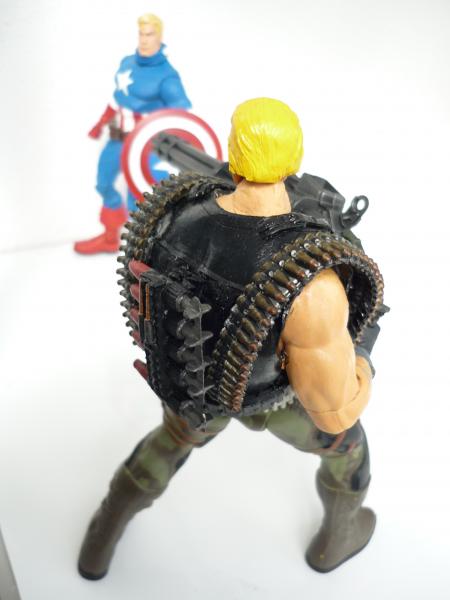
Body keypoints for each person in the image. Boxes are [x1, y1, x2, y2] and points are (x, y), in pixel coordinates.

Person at [78, 98, 383, 580]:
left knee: (167, 443)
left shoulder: (175, 219)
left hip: (193, 389)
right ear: (294, 160)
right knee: (348, 444)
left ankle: (102, 534)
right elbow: (335, 410)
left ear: (234, 157)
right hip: (270, 399)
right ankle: (338, 537)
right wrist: (361, 356)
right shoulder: (310, 284)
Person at [74, 13, 191, 255]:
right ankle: (110, 237)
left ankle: (145, 250)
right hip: (118, 138)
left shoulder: (167, 76)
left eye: (150, 34)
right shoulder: (127, 63)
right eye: (141, 33)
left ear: (159, 36)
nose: (144, 39)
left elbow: (180, 115)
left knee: (140, 198)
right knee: (103, 182)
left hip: (146, 144)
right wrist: (100, 123)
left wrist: (173, 146)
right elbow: (117, 100)